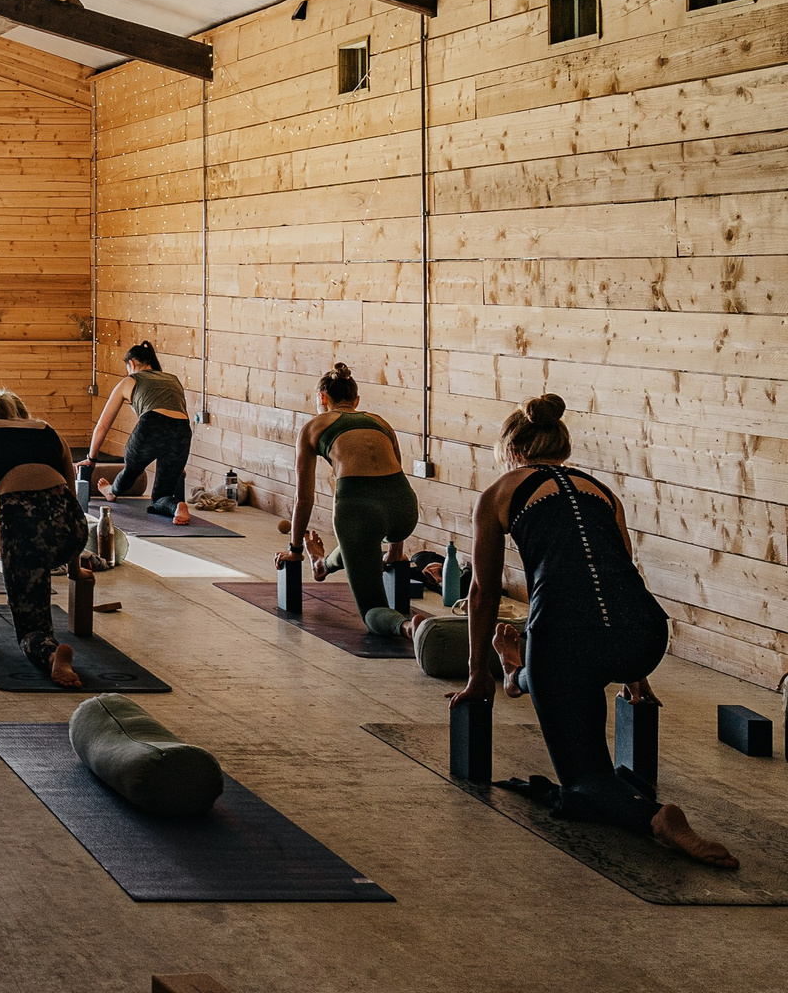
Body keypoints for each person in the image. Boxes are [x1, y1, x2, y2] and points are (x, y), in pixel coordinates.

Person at [454, 396, 733, 867]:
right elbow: (623, 572)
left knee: (585, 781)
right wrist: (636, 672)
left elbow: (482, 592)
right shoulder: (601, 491)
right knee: (558, 671)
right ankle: (519, 672)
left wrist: (473, 671)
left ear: (513, 450)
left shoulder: (500, 493)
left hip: (566, 640)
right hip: (644, 633)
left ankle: (660, 818)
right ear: (561, 445)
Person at [0, 390, 89, 688]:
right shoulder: (51, 433)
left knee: (31, 629)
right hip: (73, 530)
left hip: (28, 530)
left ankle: (52, 653)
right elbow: (73, 501)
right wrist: (75, 568)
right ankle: (52, 639)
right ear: (24, 414)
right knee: (46, 552)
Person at [287, 363, 417, 638]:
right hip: (405, 509)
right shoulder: (381, 422)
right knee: (359, 546)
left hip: (359, 511)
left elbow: (303, 498)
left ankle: (407, 626)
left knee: (372, 610)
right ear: (356, 400)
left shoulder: (313, 426)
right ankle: (321, 564)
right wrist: (395, 551)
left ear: (323, 398)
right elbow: (394, 478)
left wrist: (295, 549)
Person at [82, 340, 194, 519]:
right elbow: (175, 416)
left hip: (151, 425)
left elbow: (103, 425)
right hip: (182, 432)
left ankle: (111, 491)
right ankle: (178, 507)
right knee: (161, 496)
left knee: (131, 470)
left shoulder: (130, 380)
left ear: (131, 364)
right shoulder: (173, 379)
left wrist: (91, 458)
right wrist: (177, 464)